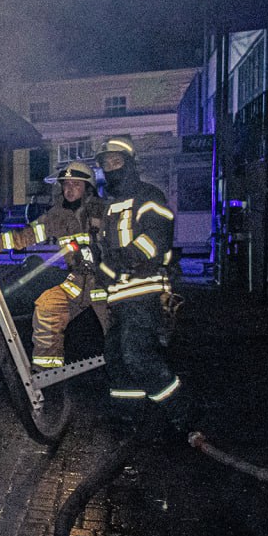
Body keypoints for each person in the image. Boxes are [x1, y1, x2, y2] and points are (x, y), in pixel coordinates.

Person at [93, 138, 193, 438]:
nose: (110, 168)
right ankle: (128, 417)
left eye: (116, 162)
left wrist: (126, 257)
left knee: (137, 356)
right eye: (105, 164)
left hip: (147, 291)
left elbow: (157, 237)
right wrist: (100, 269)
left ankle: (184, 414)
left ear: (130, 163)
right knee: (117, 359)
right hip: (121, 296)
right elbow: (108, 259)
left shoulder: (149, 195)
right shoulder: (109, 209)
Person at [0, 161, 109, 370]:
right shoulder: (57, 214)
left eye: (76, 185)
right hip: (78, 281)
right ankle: (47, 369)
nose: (70, 190)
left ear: (88, 188)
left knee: (117, 327)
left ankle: (123, 365)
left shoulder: (104, 211)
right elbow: (30, 234)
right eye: (66, 184)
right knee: (48, 305)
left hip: (106, 280)